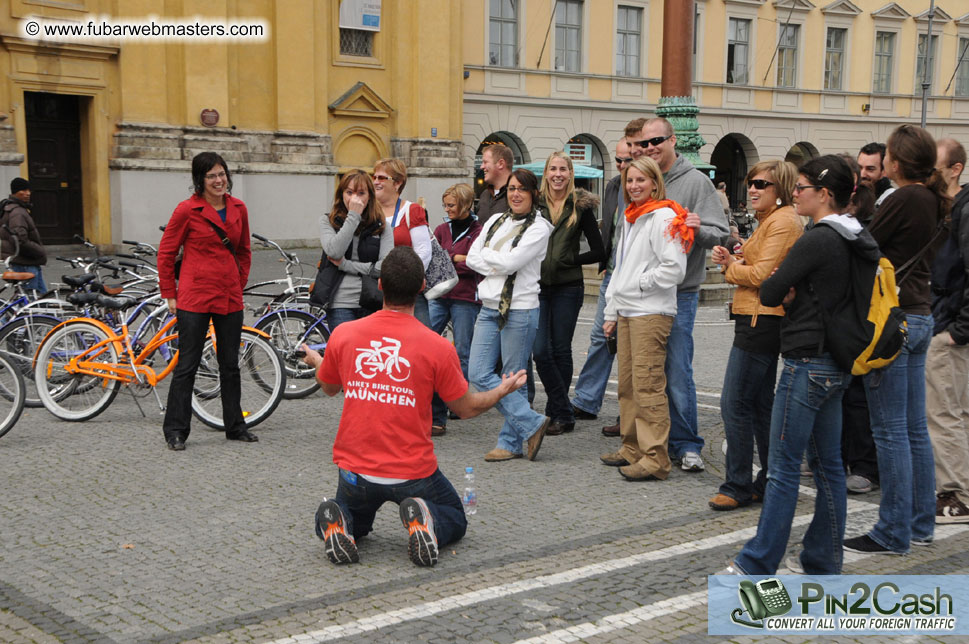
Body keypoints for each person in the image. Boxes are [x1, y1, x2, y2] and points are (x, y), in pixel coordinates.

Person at [300, 247, 528, 567]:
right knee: (453, 516)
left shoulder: (344, 335)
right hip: (412, 473)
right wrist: (501, 390)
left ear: (380, 285)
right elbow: (465, 409)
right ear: (422, 287)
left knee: (357, 518)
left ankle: (341, 523)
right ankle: (425, 520)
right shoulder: (437, 346)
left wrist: (317, 360)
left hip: (355, 471)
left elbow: (329, 387)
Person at [728, 155, 861, 575]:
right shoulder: (857, 237)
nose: (795, 193)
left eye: (802, 187)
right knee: (828, 468)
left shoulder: (817, 238)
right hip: (837, 361)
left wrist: (788, 291)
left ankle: (756, 562)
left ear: (825, 194)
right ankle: (823, 559)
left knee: (783, 469)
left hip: (808, 360)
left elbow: (769, 290)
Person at [843, 125, 950, 555]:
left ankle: (892, 531)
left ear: (898, 161)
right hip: (920, 316)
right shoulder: (933, 198)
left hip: (895, 319)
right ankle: (921, 523)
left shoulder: (905, 196)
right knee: (912, 430)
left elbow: (865, 243)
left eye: (887, 155)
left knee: (889, 432)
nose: (882, 161)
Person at [626, 116, 730, 471]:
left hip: (679, 292)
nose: (651, 147)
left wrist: (698, 228)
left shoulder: (696, 182)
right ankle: (653, 439)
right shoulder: (641, 179)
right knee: (646, 371)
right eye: (645, 143)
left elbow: (721, 233)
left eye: (657, 141)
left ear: (673, 141)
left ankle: (687, 443)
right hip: (641, 296)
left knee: (677, 367)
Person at [708, 161, 802, 511]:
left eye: (763, 184)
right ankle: (766, 480)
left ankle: (738, 484)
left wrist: (732, 269)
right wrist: (731, 258)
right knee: (761, 405)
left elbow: (763, 274)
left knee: (734, 403)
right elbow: (755, 263)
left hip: (762, 319)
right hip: (755, 316)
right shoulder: (772, 222)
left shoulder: (783, 221)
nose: (753, 189)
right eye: (751, 182)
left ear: (781, 189)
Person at [598, 156, 689, 481]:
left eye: (641, 180)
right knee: (628, 385)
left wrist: (638, 284)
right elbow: (619, 268)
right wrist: (613, 309)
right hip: (629, 310)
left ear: (654, 182)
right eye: (629, 180)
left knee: (648, 385)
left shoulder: (664, 217)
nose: (634, 186)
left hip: (651, 312)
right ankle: (632, 447)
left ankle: (655, 459)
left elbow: (674, 269)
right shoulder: (633, 216)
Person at [157, 152, 256, 451]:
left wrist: (238, 283)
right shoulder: (187, 210)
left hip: (228, 296)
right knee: (187, 364)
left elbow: (244, 250)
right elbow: (166, 253)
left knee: (230, 365)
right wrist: (169, 293)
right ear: (200, 180)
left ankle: (235, 426)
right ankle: (175, 430)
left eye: (222, 173)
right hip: (195, 296)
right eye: (212, 175)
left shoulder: (239, 208)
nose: (218, 180)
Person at [466, 168, 553, 462]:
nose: (515, 194)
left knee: (511, 378)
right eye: (512, 188)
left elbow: (512, 261)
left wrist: (491, 260)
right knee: (477, 372)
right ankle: (531, 422)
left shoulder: (539, 228)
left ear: (533, 195)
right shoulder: (494, 220)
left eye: (522, 190)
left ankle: (510, 442)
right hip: (490, 305)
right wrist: (497, 263)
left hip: (520, 308)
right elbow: (472, 257)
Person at [533, 151, 605, 435]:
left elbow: (599, 250)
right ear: (546, 173)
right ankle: (562, 409)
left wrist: (569, 261)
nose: (558, 174)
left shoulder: (581, 206)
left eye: (563, 169)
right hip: (537, 287)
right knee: (540, 350)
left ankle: (557, 413)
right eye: (553, 169)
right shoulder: (535, 204)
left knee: (560, 349)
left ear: (570, 173)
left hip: (567, 287)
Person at [571, 136, 633, 434]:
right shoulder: (612, 186)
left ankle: (629, 413)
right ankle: (586, 399)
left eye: (626, 161)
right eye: (618, 160)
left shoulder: (643, 186)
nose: (621, 166)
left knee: (631, 345)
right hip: (611, 272)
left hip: (634, 277)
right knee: (600, 338)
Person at [927, 138, 969, 524]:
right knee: (956, 411)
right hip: (947, 318)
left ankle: (955, 496)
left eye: (936, 169)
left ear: (955, 169)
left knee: (945, 413)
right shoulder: (950, 209)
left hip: (951, 325)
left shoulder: (964, 210)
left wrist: (959, 329)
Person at [429, 183, 483, 436]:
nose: (448, 209)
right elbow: (435, 259)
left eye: (452, 205)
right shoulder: (441, 229)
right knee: (426, 338)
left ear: (465, 205)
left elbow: (477, 264)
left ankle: (457, 400)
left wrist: (458, 261)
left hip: (465, 297)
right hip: (440, 294)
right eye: (446, 205)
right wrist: (458, 260)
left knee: (462, 349)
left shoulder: (479, 231)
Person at [318, 170, 394, 330]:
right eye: (349, 192)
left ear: (370, 196)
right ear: (341, 194)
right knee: (347, 353)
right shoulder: (328, 221)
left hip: (372, 301)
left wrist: (346, 265)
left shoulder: (382, 226)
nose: (355, 198)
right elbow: (334, 251)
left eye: (361, 193)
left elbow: (385, 267)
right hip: (340, 302)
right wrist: (353, 216)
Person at [372, 158, 433, 327]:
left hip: (408, 290)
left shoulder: (411, 211)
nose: (376, 181)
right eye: (374, 177)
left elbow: (424, 252)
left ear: (397, 183)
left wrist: (405, 279)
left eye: (382, 178)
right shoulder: (368, 212)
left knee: (420, 337)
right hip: (375, 288)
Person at [0, 178, 47, 293]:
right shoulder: (18, 213)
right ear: (15, 192)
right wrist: (39, 251)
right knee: (31, 302)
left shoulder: (12, 209)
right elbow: (20, 240)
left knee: (40, 300)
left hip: (23, 261)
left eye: (28, 190)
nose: (28, 193)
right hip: (25, 262)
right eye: (24, 190)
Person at [477, 144, 514, 225]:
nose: (481, 167)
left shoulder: (517, 195)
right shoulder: (485, 195)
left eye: (485, 162)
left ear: (501, 164)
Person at [858, 142, 895, 210]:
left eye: (870, 169)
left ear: (884, 171)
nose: (862, 174)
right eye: (859, 167)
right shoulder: (853, 197)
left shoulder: (892, 200)